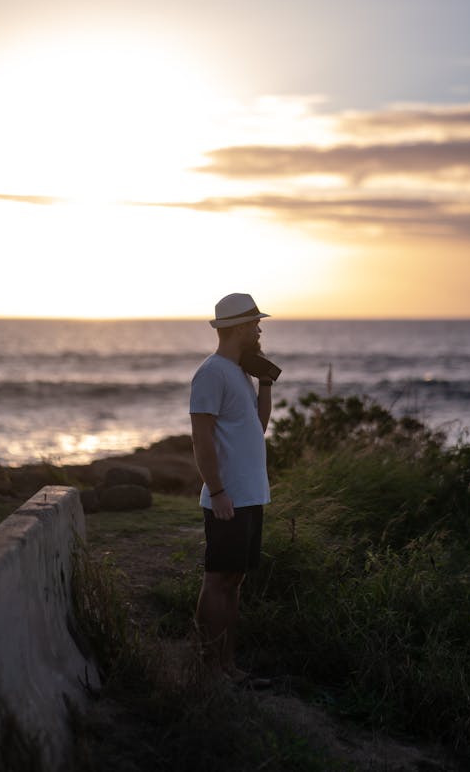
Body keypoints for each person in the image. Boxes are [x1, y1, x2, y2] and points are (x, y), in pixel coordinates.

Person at [189, 292, 274, 682]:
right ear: (238, 327)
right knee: (218, 579)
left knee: (234, 580)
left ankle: (227, 665)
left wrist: (266, 384)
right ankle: (209, 666)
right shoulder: (211, 373)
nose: (259, 329)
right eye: (255, 323)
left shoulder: (238, 372)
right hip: (228, 497)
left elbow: (256, 428)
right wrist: (218, 491)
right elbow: (201, 439)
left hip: (249, 493)